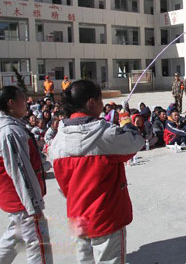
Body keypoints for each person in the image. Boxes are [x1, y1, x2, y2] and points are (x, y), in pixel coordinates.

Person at [48, 79, 145, 264]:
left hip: (77, 216)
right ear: (91, 103)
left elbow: (62, 188)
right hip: (106, 217)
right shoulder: (105, 135)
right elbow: (135, 141)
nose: (102, 106)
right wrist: (126, 121)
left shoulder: (57, 142)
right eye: (100, 101)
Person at [0, 86, 53, 264]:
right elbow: (20, 171)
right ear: (11, 103)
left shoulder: (13, 126)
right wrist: (34, 204)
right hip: (22, 200)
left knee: (15, 238)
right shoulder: (10, 131)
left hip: (17, 199)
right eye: (23, 98)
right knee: (38, 245)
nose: (27, 102)